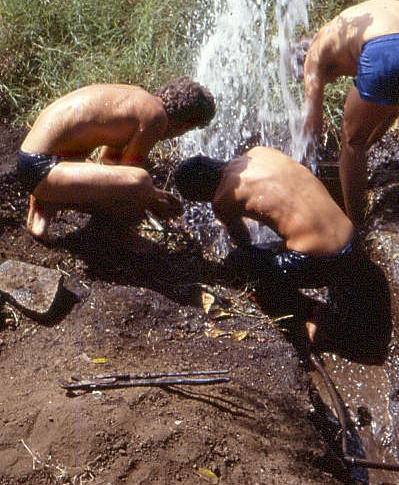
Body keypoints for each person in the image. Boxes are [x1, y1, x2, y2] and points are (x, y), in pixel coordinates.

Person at [174, 146, 374, 343]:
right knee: (286, 244)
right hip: (353, 243)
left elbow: (244, 243)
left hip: (325, 261)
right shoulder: (260, 152)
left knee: (238, 263)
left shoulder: (222, 198)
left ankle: (312, 311)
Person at [301, 0, 399, 225]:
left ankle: (354, 225)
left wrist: (302, 165)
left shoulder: (314, 53)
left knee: (352, 142)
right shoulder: (350, 24)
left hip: (387, 49)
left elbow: (311, 125)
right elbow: (391, 111)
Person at [17, 78, 215, 242]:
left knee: (130, 183)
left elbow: (108, 159)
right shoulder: (156, 117)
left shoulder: (138, 99)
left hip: (33, 160)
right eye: (187, 130)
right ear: (185, 123)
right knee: (141, 182)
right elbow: (132, 173)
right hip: (43, 166)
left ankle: (43, 208)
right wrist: (155, 198)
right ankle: (115, 237)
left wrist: (151, 194)